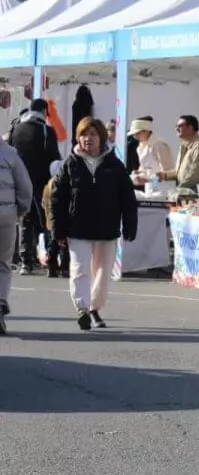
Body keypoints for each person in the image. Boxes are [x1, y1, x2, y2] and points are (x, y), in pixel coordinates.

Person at [50, 117, 137, 331]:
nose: (88, 139)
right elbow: (56, 199)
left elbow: (127, 197)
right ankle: (82, 308)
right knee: (80, 269)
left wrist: (129, 226)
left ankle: (94, 308)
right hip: (77, 228)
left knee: (102, 272)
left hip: (107, 228)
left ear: (101, 137)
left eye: (93, 134)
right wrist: (57, 230)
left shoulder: (114, 164)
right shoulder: (70, 164)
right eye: (83, 134)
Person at [10, 98, 60, 275]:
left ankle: (26, 262)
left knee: (25, 220)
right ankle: (51, 261)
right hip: (41, 182)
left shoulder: (16, 129)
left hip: (19, 181)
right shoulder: (47, 131)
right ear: (45, 111)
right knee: (48, 220)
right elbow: (55, 161)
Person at [0, 133, 32, 333]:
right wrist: (18, 211)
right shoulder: (11, 154)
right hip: (6, 214)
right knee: (3, 264)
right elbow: (25, 189)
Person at [157, 115, 199, 193]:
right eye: (176, 126)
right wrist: (164, 175)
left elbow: (193, 177)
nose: (176, 129)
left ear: (190, 127)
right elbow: (180, 172)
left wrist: (176, 191)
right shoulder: (184, 145)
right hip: (187, 194)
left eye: (180, 126)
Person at [128, 118, 174, 182]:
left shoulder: (159, 145)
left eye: (137, 133)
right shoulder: (140, 148)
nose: (135, 137)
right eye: (134, 135)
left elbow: (167, 173)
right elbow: (146, 169)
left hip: (164, 189)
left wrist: (150, 180)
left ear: (146, 131)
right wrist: (138, 172)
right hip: (150, 188)